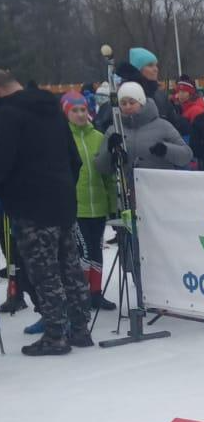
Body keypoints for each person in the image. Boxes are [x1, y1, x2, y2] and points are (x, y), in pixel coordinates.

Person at [0, 69, 92, 355]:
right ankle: (79, 328)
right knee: (70, 266)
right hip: (62, 200)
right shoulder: (52, 108)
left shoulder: (8, 115)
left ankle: (55, 335)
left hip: (30, 205)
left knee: (44, 271)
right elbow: (73, 157)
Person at [61, 91, 117, 311]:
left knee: (95, 250)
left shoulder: (97, 137)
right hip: (77, 207)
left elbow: (108, 176)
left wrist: (112, 205)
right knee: (83, 252)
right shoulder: (64, 138)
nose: (80, 114)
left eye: (83, 109)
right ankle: (80, 294)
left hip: (98, 206)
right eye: (74, 110)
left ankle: (96, 292)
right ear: (66, 113)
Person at [94, 82, 193, 179]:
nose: (128, 106)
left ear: (141, 102)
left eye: (132, 102)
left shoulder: (163, 126)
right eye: (123, 103)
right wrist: (110, 152)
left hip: (160, 188)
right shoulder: (114, 130)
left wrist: (166, 150)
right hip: (130, 190)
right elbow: (101, 168)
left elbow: (186, 156)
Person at [116, 47, 189, 135]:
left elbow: (174, 125)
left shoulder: (160, 95)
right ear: (138, 69)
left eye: (156, 65)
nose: (156, 69)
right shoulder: (123, 95)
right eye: (150, 65)